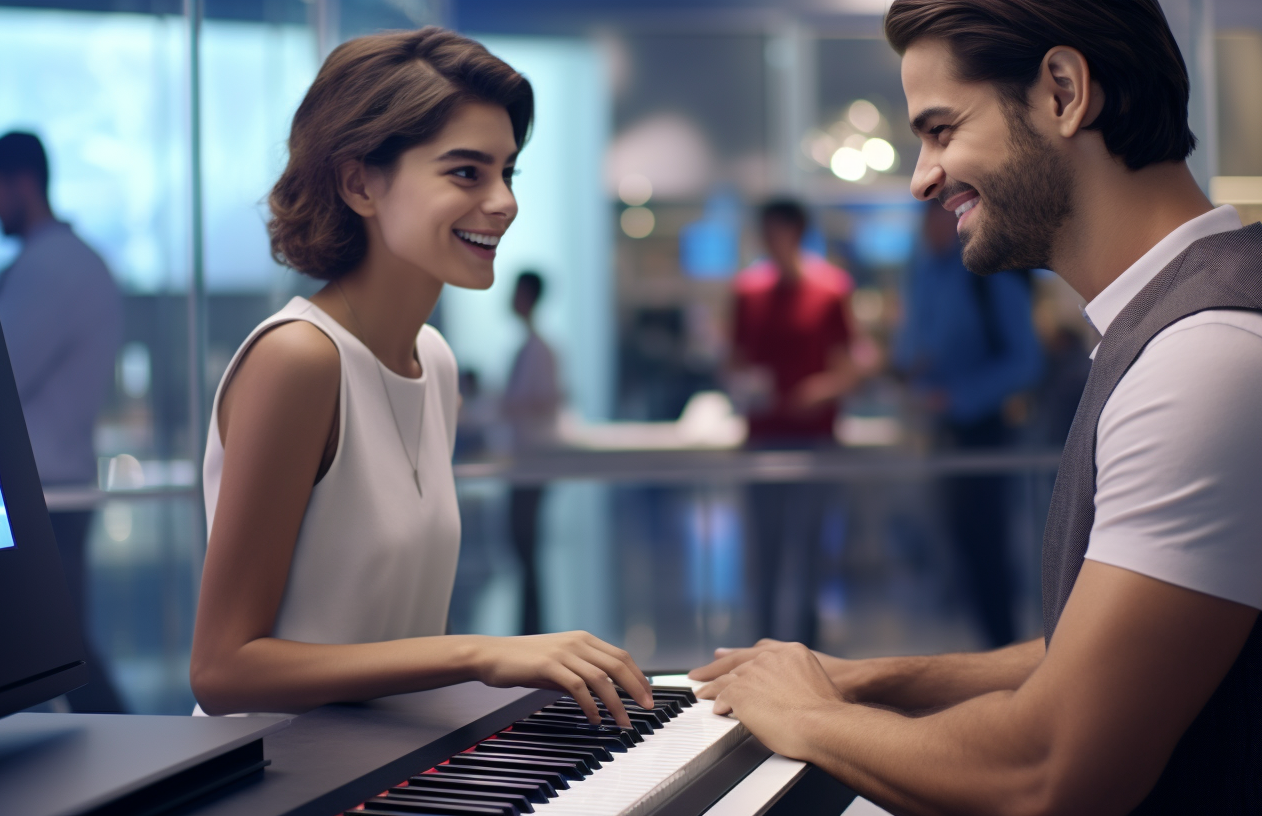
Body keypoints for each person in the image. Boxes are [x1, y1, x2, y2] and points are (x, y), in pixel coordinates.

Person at [691, 1, 1262, 813]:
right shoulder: (1182, 332)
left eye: (941, 129)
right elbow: (1103, 652)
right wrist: (869, 681)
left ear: (1065, 92)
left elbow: (1048, 773)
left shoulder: (1215, 357)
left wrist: (809, 716)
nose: (922, 176)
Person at [189, 28, 653, 722]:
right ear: (359, 183)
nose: (504, 202)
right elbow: (222, 669)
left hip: (393, 765)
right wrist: (479, 655)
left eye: (508, 172)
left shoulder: (432, 361)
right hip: (277, 778)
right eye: (467, 172)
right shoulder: (299, 358)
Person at [0, 131, 126, 714]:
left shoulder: (51, 267)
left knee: (63, 659)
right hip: (54, 492)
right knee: (59, 655)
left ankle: (142, 775)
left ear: (22, 181)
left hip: (45, 499)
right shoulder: (63, 262)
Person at [894, 198, 1043, 647]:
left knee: (988, 550)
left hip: (983, 431)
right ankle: (987, 656)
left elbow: (1026, 361)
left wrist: (958, 397)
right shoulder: (924, 272)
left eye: (937, 213)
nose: (929, 225)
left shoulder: (988, 275)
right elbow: (912, 346)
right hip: (939, 432)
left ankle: (1004, 654)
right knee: (955, 551)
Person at [728, 199, 868, 647]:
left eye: (779, 231)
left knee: (808, 553)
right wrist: (746, 388)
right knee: (765, 555)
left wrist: (821, 390)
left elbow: (850, 367)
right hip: (763, 438)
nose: (773, 241)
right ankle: (762, 652)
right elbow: (733, 362)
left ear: (797, 233)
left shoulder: (830, 290)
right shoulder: (748, 291)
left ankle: (807, 653)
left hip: (814, 440)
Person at [502, 270, 562, 635]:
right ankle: (530, 627)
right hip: (523, 459)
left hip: (532, 460)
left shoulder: (540, 350)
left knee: (525, 548)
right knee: (522, 550)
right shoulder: (530, 347)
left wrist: (509, 406)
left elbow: (546, 401)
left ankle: (533, 629)